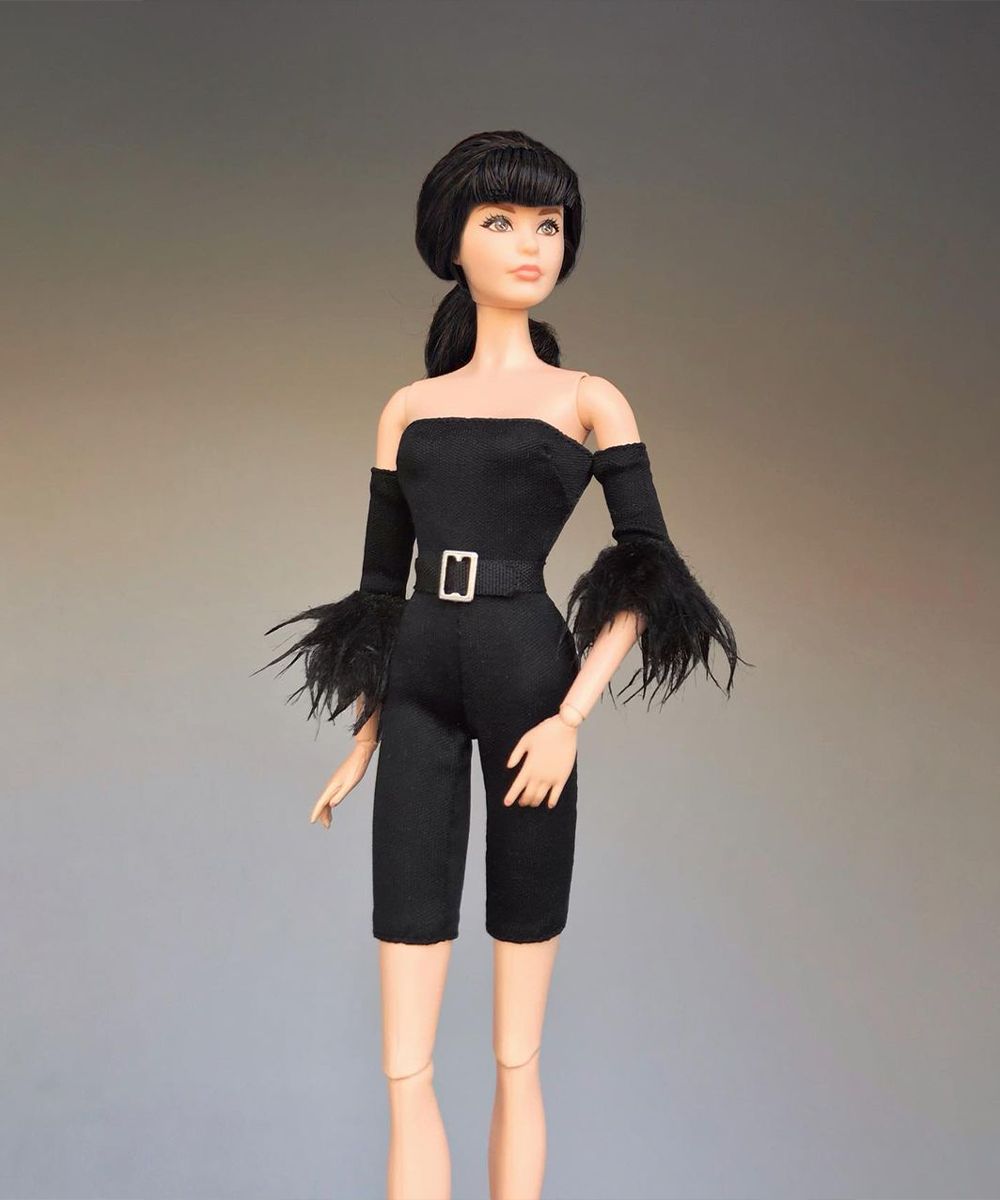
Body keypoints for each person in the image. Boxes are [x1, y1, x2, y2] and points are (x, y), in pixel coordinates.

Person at [258, 130, 746, 1200]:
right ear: (451, 243)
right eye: (501, 222)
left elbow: (647, 569)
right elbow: (378, 595)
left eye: (548, 226)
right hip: (419, 687)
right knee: (405, 1059)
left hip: (532, 683)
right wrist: (365, 737)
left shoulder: (589, 398)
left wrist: (572, 716)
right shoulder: (407, 409)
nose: (530, 245)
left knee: (516, 1051)